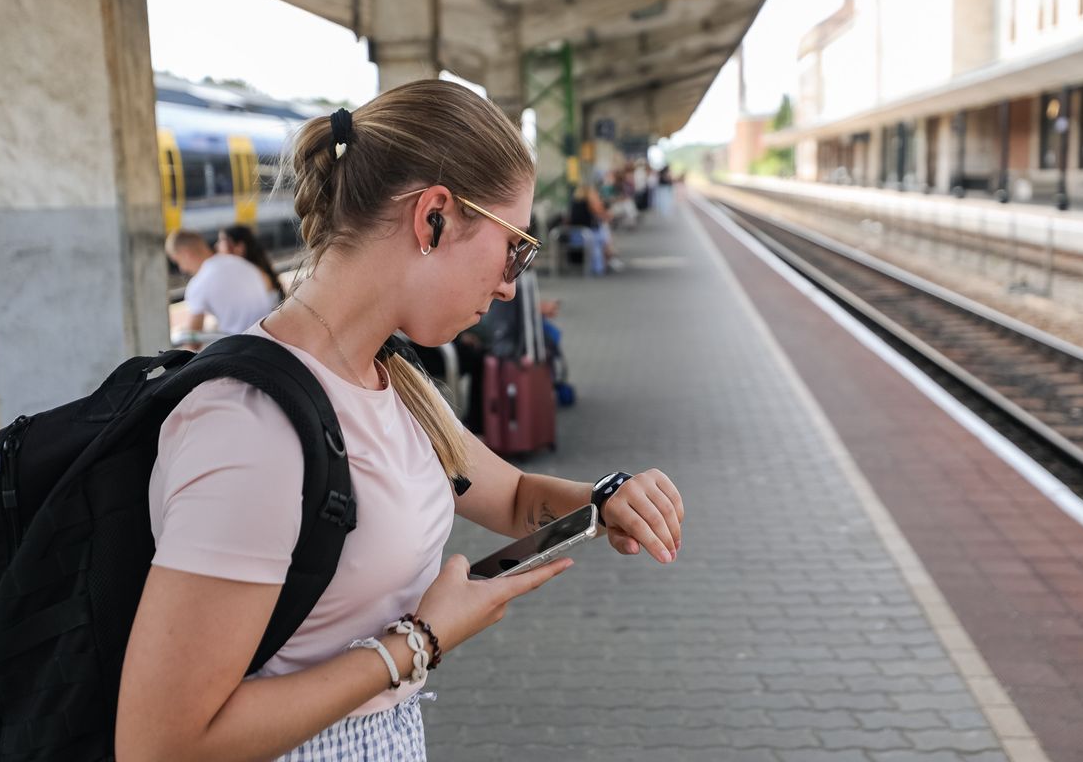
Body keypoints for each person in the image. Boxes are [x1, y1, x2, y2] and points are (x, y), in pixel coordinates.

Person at [119, 80, 685, 761]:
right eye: (514, 248)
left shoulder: (397, 377)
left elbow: (508, 496)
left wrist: (605, 500)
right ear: (435, 217)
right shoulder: (252, 425)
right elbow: (162, 744)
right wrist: (419, 642)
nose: (511, 284)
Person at [165, 230, 274, 339]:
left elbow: (193, 339)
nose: (182, 269)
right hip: (270, 332)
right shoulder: (238, 261)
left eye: (178, 261)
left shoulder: (197, 284)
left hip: (244, 343)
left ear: (186, 254)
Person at [217, 223, 288, 307]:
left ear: (239, 248)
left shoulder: (250, 275)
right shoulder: (257, 270)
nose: (217, 246)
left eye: (222, 241)